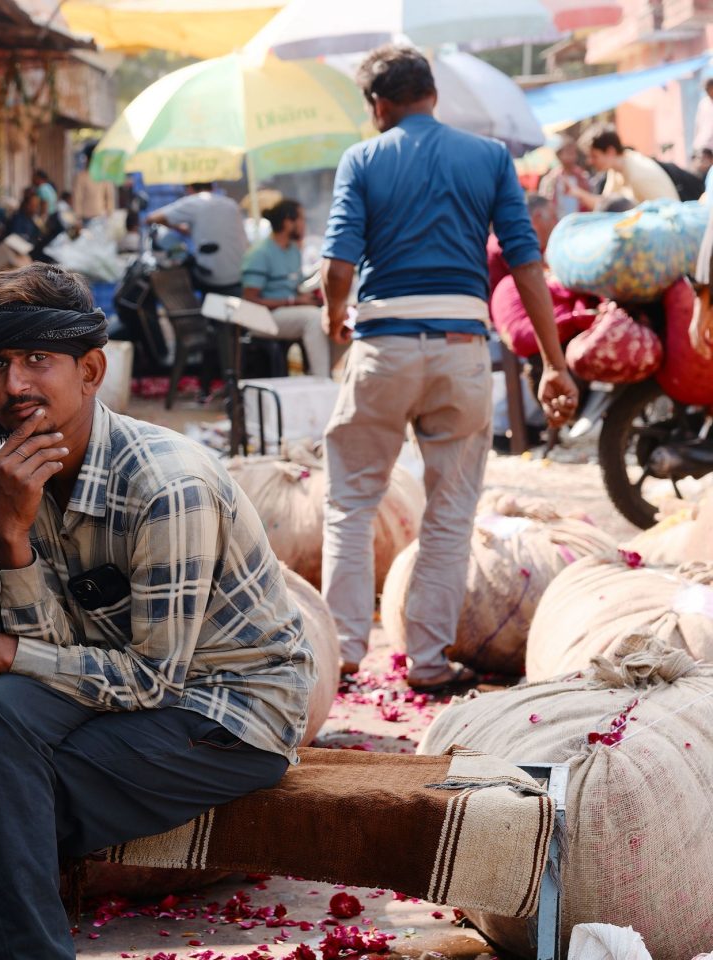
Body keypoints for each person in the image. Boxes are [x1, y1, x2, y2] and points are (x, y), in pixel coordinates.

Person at [0, 263, 313, 959]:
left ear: (91, 370)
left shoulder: (167, 486)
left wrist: (7, 651)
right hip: (124, 691)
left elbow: (155, 679)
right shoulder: (25, 470)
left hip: (226, 708)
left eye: (38, 360)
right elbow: (52, 647)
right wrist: (11, 535)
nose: (14, 386)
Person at [319, 46, 578, 691]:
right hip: (463, 351)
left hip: (382, 348)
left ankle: (344, 649)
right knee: (450, 511)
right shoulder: (490, 157)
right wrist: (553, 362)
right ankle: (428, 664)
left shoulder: (363, 159)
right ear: (432, 95)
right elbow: (525, 261)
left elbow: (337, 269)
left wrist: (333, 316)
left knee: (352, 503)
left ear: (377, 106)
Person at [240, 198, 335, 377]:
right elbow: (250, 300)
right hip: (260, 318)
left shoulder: (293, 250)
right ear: (287, 222)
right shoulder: (260, 254)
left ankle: (328, 373)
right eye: (301, 219)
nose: (304, 225)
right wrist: (292, 301)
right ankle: (322, 379)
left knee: (335, 316)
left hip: (288, 312)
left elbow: (297, 286)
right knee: (314, 319)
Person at [145, 182, 247, 293]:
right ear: (212, 187)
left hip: (213, 278)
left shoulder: (193, 202)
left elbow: (151, 218)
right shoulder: (230, 203)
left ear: (189, 188)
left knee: (174, 280)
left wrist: (178, 227)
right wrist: (186, 230)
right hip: (240, 273)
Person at [576, 125, 678, 205]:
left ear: (611, 151)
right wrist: (576, 192)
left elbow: (670, 214)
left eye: (594, 156)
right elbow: (605, 203)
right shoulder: (617, 167)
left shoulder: (638, 174)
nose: (590, 162)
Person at [489, 194, 558, 291]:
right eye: (553, 217)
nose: (556, 223)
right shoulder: (506, 242)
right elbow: (531, 276)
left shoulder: (536, 245)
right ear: (537, 217)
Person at [537, 136, 594, 219]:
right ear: (559, 155)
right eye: (568, 153)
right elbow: (545, 204)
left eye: (573, 153)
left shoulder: (583, 177)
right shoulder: (551, 179)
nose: (572, 156)